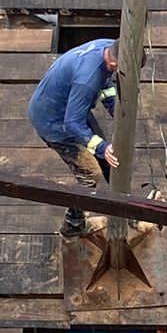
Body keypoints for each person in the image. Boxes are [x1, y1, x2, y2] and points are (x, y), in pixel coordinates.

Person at [28, 38, 120, 237]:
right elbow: (73, 123)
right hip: (55, 123)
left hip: (72, 108)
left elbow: (106, 83)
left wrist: (115, 107)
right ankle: (73, 224)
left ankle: (121, 205)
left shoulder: (108, 46)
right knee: (89, 175)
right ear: (114, 64)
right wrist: (102, 147)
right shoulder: (87, 80)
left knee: (106, 160)